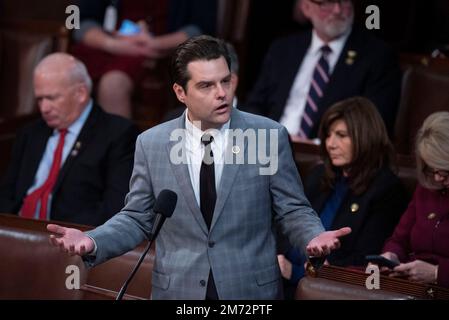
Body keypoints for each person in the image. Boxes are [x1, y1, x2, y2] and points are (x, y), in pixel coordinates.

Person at [47, 35, 351, 300]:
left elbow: (292, 209)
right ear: (181, 93)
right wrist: (93, 240)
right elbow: (138, 218)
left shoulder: (267, 136)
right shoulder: (152, 144)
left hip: (249, 292)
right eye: (206, 85)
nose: (221, 93)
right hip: (177, 290)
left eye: (225, 81)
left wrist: (313, 236)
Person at [277, 97, 409, 299]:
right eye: (328, 135)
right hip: (284, 273)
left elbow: (365, 259)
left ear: (364, 137)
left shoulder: (387, 190)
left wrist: (297, 272)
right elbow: (287, 223)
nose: (331, 144)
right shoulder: (320, 174)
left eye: (341, 135)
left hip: (329, 289)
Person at [0, 53, 139, 226]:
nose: (44, 108)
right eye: (40, 99)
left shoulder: (118, 134)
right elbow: (6, 194)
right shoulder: (30, 133)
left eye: (52, 98)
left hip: (72, 241)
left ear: (80, 93)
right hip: (17, 234)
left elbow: (115, 207)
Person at [243, 0, 401, 140]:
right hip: (272, 147)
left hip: (326, 157)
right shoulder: (284, 49)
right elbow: (255, 105)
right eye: (327, 2)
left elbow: (372, 125)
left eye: (344, 1)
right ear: (306, 7)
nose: (338, 10)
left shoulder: (377, 56)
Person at [72, 0, 218, 118]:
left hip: (169, 53)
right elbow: (79, 23)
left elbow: (203, 28)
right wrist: (115, 45)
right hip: (108, 47)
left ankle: (119, 152)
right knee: (68, 77)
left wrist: (156, 45)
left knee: (113, 84)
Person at [381, 111, 449, 288]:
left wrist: (437, 273)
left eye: (444, 170)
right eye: (431, 169)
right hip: (413, 287)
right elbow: (398, 241)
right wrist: (390, 256)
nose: (438, 178)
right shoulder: (426, 189)